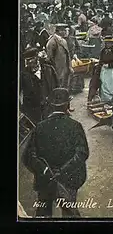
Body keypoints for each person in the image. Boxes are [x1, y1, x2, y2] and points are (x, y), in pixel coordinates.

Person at [22, 88, 89, 218]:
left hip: (45, 180)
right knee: (70, 213)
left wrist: (45, 170)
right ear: (68, 105)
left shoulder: (39, 127)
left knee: (43, 213)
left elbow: (28, 157)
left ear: (50, 106)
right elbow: (82, 153)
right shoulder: (75, 126)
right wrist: (62, 171)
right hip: (69, 180)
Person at [20, 48, 59, 124]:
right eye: (26, 61)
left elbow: (58, 87)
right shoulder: (23, 76)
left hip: (50, 111)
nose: (27, 64)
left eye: (29, 60)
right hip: (34, 114)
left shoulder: (49, 70)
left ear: (36, 58)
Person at [88, 36, 113, 102]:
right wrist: (100, 65)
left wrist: (110, 65)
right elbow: (101, 60)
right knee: (105, 85)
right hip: (105, 70)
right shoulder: (103, 51)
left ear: (112, 43)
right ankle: (106, 99)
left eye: (109, 43)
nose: (108, 44)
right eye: (107, 43)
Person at [46, 24, 73, 89]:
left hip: (65, 66)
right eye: (63, 30)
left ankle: (65, 95)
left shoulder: (63, 40)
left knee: (65, 82)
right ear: (58, 31)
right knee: (58, 83)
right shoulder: (52, 41)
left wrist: (69, 66)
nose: (65, 32)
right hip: (57, 67)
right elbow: (50, 57)